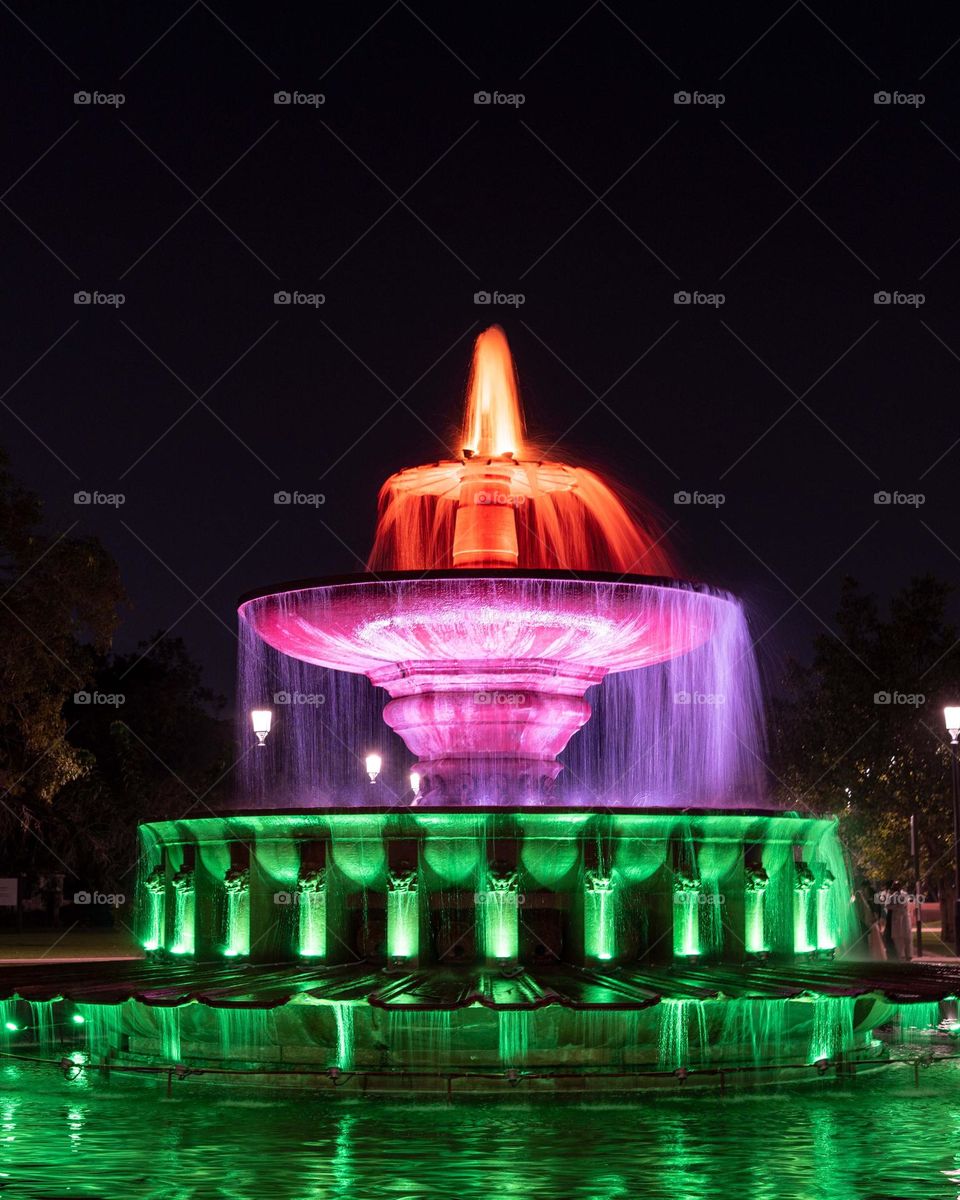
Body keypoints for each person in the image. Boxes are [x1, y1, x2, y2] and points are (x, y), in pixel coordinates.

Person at [889, 880, 913, 961]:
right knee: (898, 938)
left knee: (907, 937)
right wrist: (896, 907)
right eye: (896, 886)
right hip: (896, 918)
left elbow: (906, 903)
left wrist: (901, 906)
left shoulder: (905, 894)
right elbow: (888, 906)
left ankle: (909, 954)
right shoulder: (892, 896)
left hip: (905, 917)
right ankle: (901, 955)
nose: (897, 888)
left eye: (898, 886)